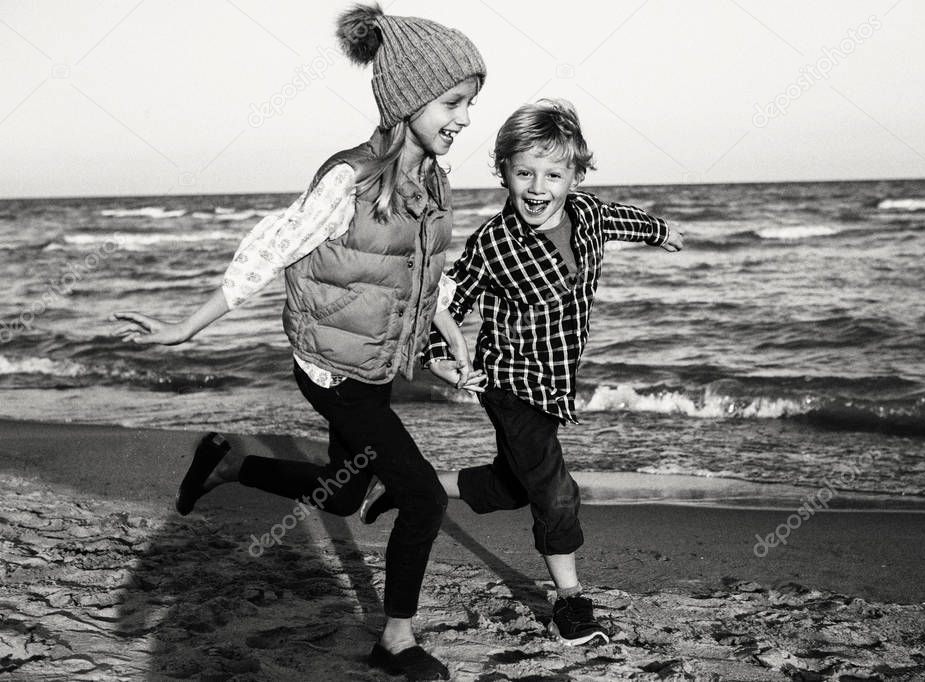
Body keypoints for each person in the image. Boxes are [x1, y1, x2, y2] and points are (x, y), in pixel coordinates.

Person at [112, 4, 486, 679]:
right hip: (330, 372)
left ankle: (228, 463)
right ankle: (395, 641)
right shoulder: (349, 179)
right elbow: (271, 248)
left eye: (469, 102)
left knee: (344, 494)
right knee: (424, 496)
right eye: (453, 101)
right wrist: (186, 327)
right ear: (407, 99)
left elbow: (420, 279)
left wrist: (451, 341)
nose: (464, 116)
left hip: (367, 366)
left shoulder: (430, 181)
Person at [361, 98, 685, 646]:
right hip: (510, 384)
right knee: (556, 491)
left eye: (554, 174)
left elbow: (622, 218)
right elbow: (445, 300)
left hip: (554, 385)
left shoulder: (587, 214)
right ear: (504, 172)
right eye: (524, 172)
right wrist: (436, 358)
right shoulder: (496, 240)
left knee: (513, 485)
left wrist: (659, 231)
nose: (538, 187)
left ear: (575, 176)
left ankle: (412, 485)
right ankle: (569, 603)